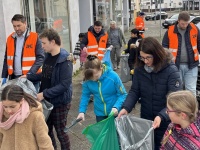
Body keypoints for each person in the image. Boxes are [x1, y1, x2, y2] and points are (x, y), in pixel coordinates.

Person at [118, 37, 182, 150]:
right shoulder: (139, 69)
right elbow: (134, 91)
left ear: (157, 54)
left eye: (148, 57)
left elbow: (175, 100)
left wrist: (162, 116)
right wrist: (126, 108)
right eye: (142, 58)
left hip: (166, 120)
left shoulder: (171, 71)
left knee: (162, 146)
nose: (146, 61)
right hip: (146, 119)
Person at [28, 28, 73, 150]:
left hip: (59, 103)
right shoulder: (48, 56)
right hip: (47, 101)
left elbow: (64, 85)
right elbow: (45, 75)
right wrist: (28, 77)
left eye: (43, 43)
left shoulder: (65, 59)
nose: (42, 46)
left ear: (52, 42)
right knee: (46, 130)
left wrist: (44, 94)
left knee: (61, 132)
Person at [0, 84, 54, 150]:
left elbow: (44, 143)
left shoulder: (35, 116)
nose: (8, 110)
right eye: (5, 106)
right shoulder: (1, 114)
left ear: (21, 101)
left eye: (12, 106)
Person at [77, 55, 127, 122]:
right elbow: (85, 95)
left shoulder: (113, 76)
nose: (94, 79)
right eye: (91, 78)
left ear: (101, 68)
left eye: (96, 76)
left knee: (116, 132)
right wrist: (81, 111)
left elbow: (122, 94)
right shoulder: (87, 80)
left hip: (115, 112)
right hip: (100, 113)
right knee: (102, 132)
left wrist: (116, 107)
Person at [1, 14, 44, 91]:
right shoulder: (10, 38)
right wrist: (4, 75)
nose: (17, 28)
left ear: (25, 23)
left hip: (31, 78)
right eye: (14, 26)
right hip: (14, 78)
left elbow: (40, 57)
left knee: (32, 101)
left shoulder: (35, 37)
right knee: (17, 102)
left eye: (19, 25)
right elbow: (6, 59)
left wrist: (30, 74)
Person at [162, 11, 200, 96]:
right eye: (183, 24)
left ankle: (191, 109)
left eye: (187, 23)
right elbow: (164, 48)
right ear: (178, 21)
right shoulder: (170, 31)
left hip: (192, 66)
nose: (185, 26)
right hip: (175, 66)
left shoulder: (194, 29)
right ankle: (178, 109)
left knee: (191, 91)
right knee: (177, 91)